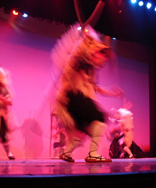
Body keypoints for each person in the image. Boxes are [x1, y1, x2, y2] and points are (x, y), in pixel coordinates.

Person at [52, 24, 123, 162]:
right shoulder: (80, 62)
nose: (105, 59)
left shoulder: (89, 71)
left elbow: (96, 88)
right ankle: (92, 154)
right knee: (100, 118)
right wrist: (86, 41)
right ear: (95, 52)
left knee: (82, 131)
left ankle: (66, 153)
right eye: (103, 55)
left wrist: (112, 93)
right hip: (72, 97)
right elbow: (77, 56)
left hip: (73, 99)